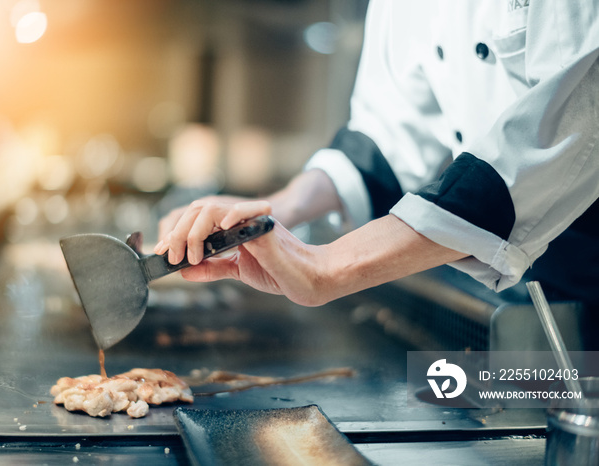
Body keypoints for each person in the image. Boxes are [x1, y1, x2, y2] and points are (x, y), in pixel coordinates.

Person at [153, 0, 599, 312]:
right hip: (515, 291)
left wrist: (325, 267)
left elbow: (565, 135)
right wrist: (271, 214)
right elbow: (389, 136)